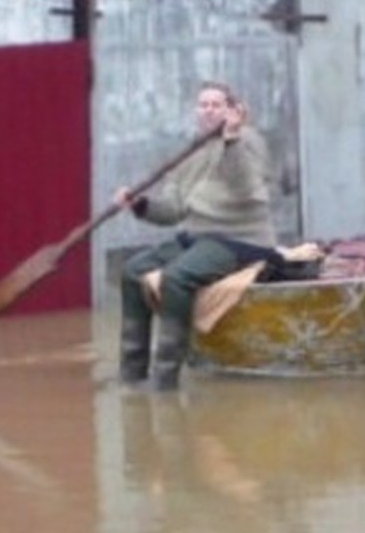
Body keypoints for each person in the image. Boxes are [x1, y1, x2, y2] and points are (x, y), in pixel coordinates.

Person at [115, 81, 275, 391]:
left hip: (241, 238)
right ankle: (132, 375)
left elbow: (245, 189)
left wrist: (231, 141)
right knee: (133, 271)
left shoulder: (249, 141)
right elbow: (173, 210)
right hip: (198, 236)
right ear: (196, 112)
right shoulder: (190, 150)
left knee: (176, 278)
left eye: (217, 104)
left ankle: (165, 377)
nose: (210, 110)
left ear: (232, 110)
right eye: (204, 104)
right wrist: (139, 205)